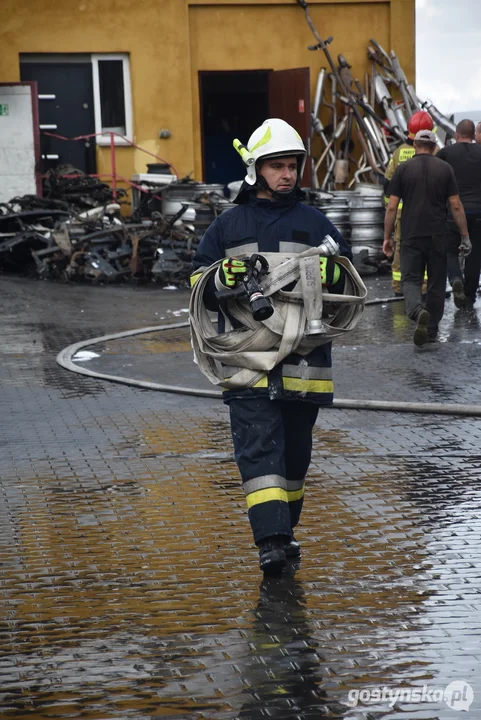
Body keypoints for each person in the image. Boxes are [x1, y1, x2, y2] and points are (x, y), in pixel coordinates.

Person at [190, 118, 352, 574]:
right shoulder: (227, 226)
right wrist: (221, 278)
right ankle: (272, 543)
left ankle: (286, 531)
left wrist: (328, 272)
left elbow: (348, 275)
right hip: (248, 359)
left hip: (305, 361)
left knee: (295, 460)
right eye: (276, 166)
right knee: (260, 452)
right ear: (255, 170)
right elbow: (195, 281)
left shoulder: (315, 224)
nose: (286, 174)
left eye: (292, 166)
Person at [383, 129, 470, 346]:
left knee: (410, 279)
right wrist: (465, 235)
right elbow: (456, 205)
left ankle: (416, 310)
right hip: (438, 234)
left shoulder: (403, 169)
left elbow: (392, 207)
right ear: (433, 147)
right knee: (436, 282)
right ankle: (431, 330)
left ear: (415, 145)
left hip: (411, 234)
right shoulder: (445, 169)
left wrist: (387, 237)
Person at [384, 110, 434, 295]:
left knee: (400, 248)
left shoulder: (398, 153)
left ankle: (399, 286)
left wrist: (390, 207)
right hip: (428, 211)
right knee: (427, 247)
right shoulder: (433, 153)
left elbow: (387, 183)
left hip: (401, 212)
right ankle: (424, 286)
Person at [437, 119, 481, 307]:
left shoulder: (446, 153)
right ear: (473, 135)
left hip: (453, 212)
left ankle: (455, 278)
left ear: (456, 134)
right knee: (475, 254)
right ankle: (469, 296)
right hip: (479, 212)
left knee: (450, 250)